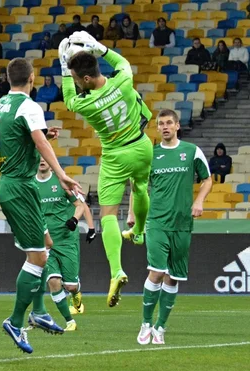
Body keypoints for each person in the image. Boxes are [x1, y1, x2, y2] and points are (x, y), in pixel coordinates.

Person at [0, 58, 81, 353]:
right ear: (32, 78)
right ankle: (16, 321)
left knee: (46, 243)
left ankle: (39, 311)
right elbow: (39, 143)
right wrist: (62, 174)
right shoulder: (29, 106)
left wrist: (41, 134)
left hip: (10, 182)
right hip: (20, 185)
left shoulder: (2, 105)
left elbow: (21, 137)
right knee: (38, 258)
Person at [59, 31, 153, 307]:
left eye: (78, 79)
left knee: (108, 215)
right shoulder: (124, 82)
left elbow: (68, 99)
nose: (77, 83)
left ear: (85, 79)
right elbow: (123, 62)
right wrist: (99, 47)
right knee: (141, 187)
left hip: (115, 156)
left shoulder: (85, 102)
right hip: (142, 145)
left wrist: (64, 66)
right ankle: (139, 231)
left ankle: (117, 270)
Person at [131, 109, 211, 346]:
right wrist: (135, 215)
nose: (165, 127)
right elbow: (139, 187)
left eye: (169, 123)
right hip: (156, 221)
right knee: (156, 271)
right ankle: (145, 323)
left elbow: (207, 179)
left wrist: (199, 200)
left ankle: (160, 327)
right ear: (157, 128)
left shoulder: (191, 151)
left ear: (177, 126)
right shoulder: (151, 155)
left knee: (173, 278)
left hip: (182, 224)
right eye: (161, 124)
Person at [36, 158, 95, 331]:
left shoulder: (62, 181)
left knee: (70, 285)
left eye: (44, 158)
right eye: (38, 158)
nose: (41, 161)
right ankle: (70, 322)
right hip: (46, 242)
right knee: (53, 281)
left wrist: (74, 219)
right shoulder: (31, 184)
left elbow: (80, 205)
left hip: (66, 239)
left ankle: (76, 294)